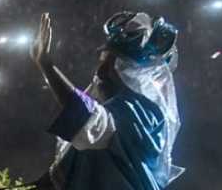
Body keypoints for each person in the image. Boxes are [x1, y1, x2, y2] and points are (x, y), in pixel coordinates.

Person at [31, 12, 183, 190]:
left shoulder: (143, 113)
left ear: (135, 75)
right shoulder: (114, 112)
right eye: (101, 62)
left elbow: (91, 121)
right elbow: (69, 168)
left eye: (113, 65)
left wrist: (46, 65)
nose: (100, 73)